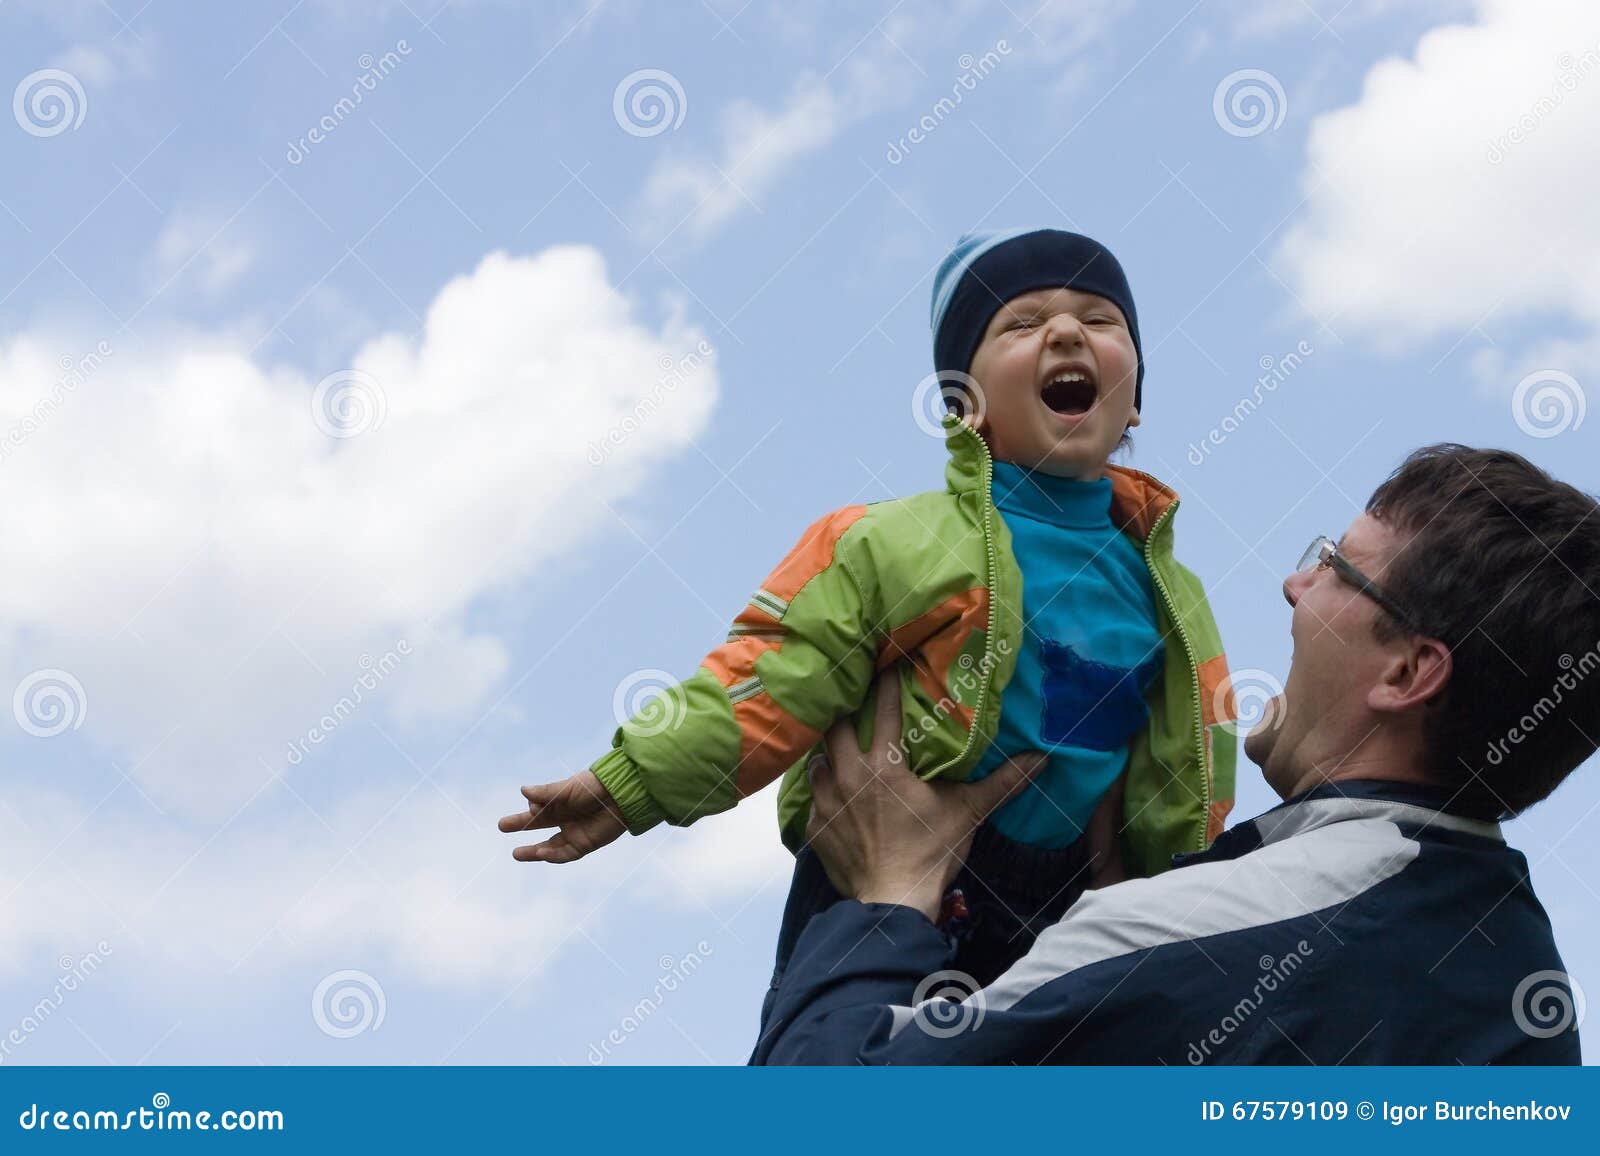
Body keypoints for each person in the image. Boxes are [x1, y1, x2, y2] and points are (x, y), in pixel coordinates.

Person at [500, 228, 1237, 1005]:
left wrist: (1180, 910)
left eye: (1099, 319)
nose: (1064, 331)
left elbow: (1195, 760)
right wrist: (631, 783)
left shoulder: (1174, 598)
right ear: (965, 405)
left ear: (1135, 400)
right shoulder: (891, 542)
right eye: (1020, 324)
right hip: (878, 870)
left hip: (1072, 905)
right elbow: (773, 669)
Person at [752, 444, 1596, 1065]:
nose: (1295, 586)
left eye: (1336, 567)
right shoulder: (1527, 1001)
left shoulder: (1200, 934)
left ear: (1408, 672)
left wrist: (885, 904)